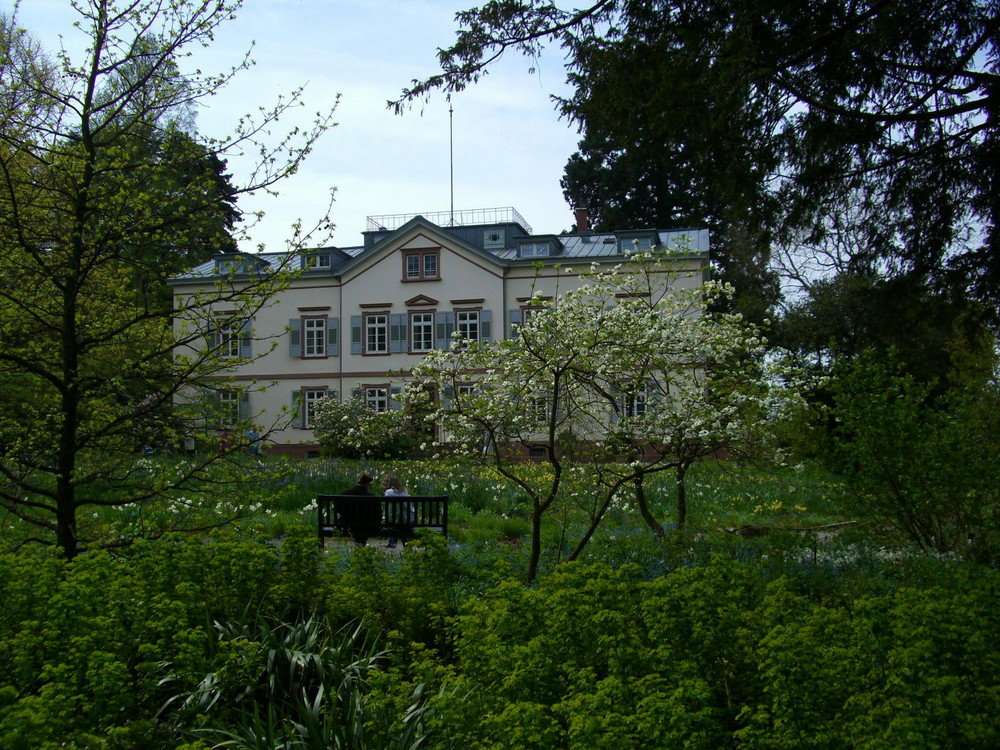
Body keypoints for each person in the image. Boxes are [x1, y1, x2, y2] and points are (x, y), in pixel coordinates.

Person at [341, 472, 379, 546]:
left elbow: (339, 509)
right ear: (367, 484)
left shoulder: (345, 493)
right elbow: (377, 514)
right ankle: (361, 545)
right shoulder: (371, 497)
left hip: (349, 525)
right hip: (367, 526)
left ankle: (358, 545)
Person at [381, 473, 414, 548]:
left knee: (394, 523)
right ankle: (404, 543)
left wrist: (385, 518)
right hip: (409, 520)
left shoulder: (388, 492)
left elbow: (390, 511)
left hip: (397, 521)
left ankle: (392, 543)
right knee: (400, 522)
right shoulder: (405, 491)